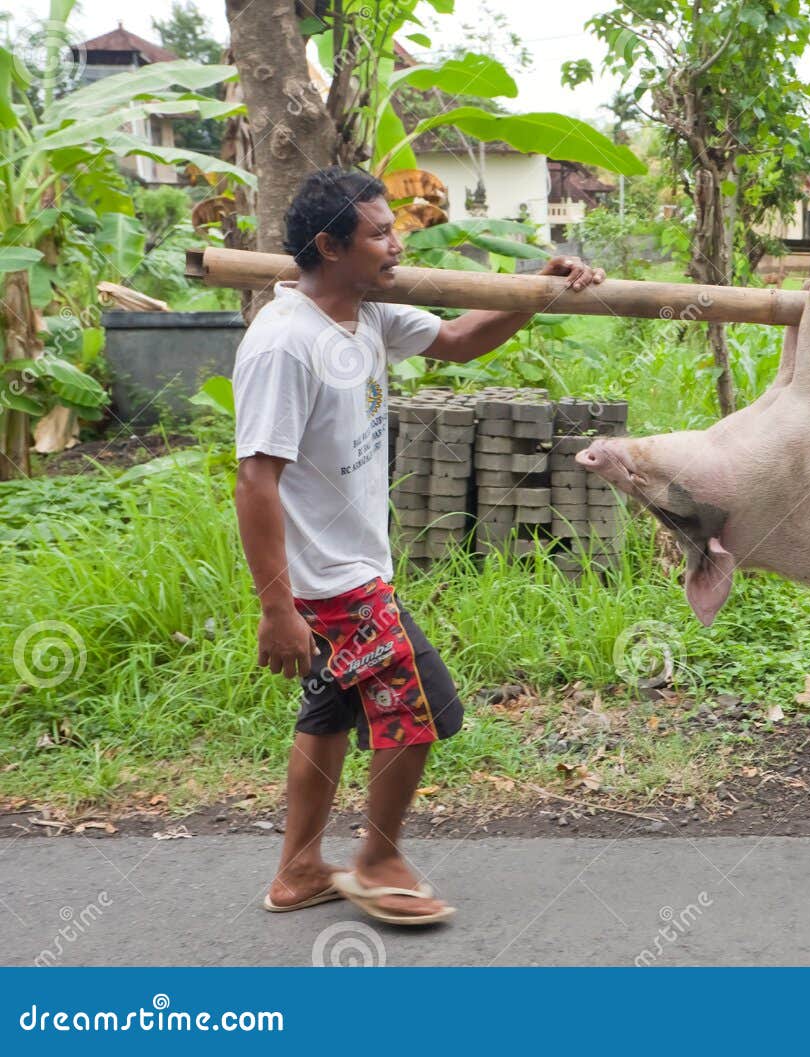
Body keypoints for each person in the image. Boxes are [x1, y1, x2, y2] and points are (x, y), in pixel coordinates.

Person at [233, 167, 603, 923]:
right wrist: (276, 610)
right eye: (379, 233)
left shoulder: (365, 313)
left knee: (330, 712)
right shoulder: (283, 344)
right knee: (426, 704)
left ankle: (299, 869)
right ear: (331, 246)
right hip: (331, 580)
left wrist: (539, 289)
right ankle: (378, 858)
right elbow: (254, 481)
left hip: (354, 565)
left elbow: (462, 342)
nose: (398, 244)